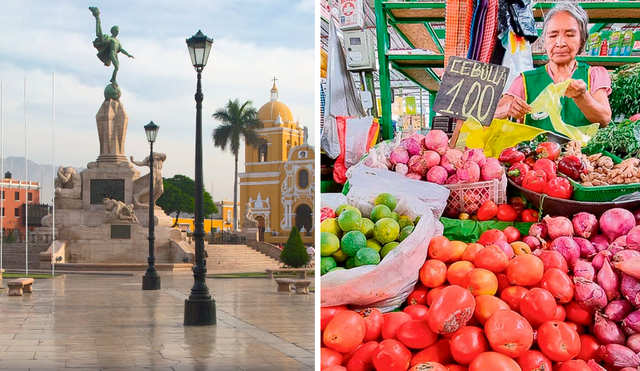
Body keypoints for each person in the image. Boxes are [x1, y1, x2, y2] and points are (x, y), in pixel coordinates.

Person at [495, 2, 612, 132]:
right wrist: (509, 107)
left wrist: (582, 97)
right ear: (544, 41)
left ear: (582, 40)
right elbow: (492, 113)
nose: (560, 43)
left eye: (570, 35)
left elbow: (604, 119)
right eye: (553, 35)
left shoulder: (593, 75)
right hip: (537, 152)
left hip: (583, 152)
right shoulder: (524, 81)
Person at [89, 6, 134, 86]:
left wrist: (128, 54)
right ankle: (113, 79)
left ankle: (113, 79)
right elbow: (100, 35)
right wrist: (97, 19)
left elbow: (121, 49)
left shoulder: (118, 41)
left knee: (117, 67)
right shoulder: (109, 38)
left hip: (115, 55)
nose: (117, 32)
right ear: (113, 31)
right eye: (116, 30)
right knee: (116, 67)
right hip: (111, 54)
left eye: (118, 31)